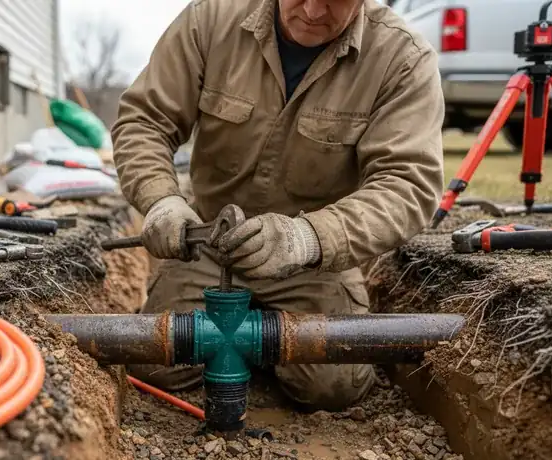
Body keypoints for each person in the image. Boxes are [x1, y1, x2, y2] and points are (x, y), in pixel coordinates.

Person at [110, 0, 445, 412]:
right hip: (209, 244)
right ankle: (257, 340)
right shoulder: (211, 19)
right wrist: (160, 199)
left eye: (335, 1)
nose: (312, 10)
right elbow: (144, 120)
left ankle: (255, 340)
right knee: (153, 363)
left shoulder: (402, 57)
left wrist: (306, 239)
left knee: (332, 387)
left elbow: (408, 183)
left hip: (313, 260)